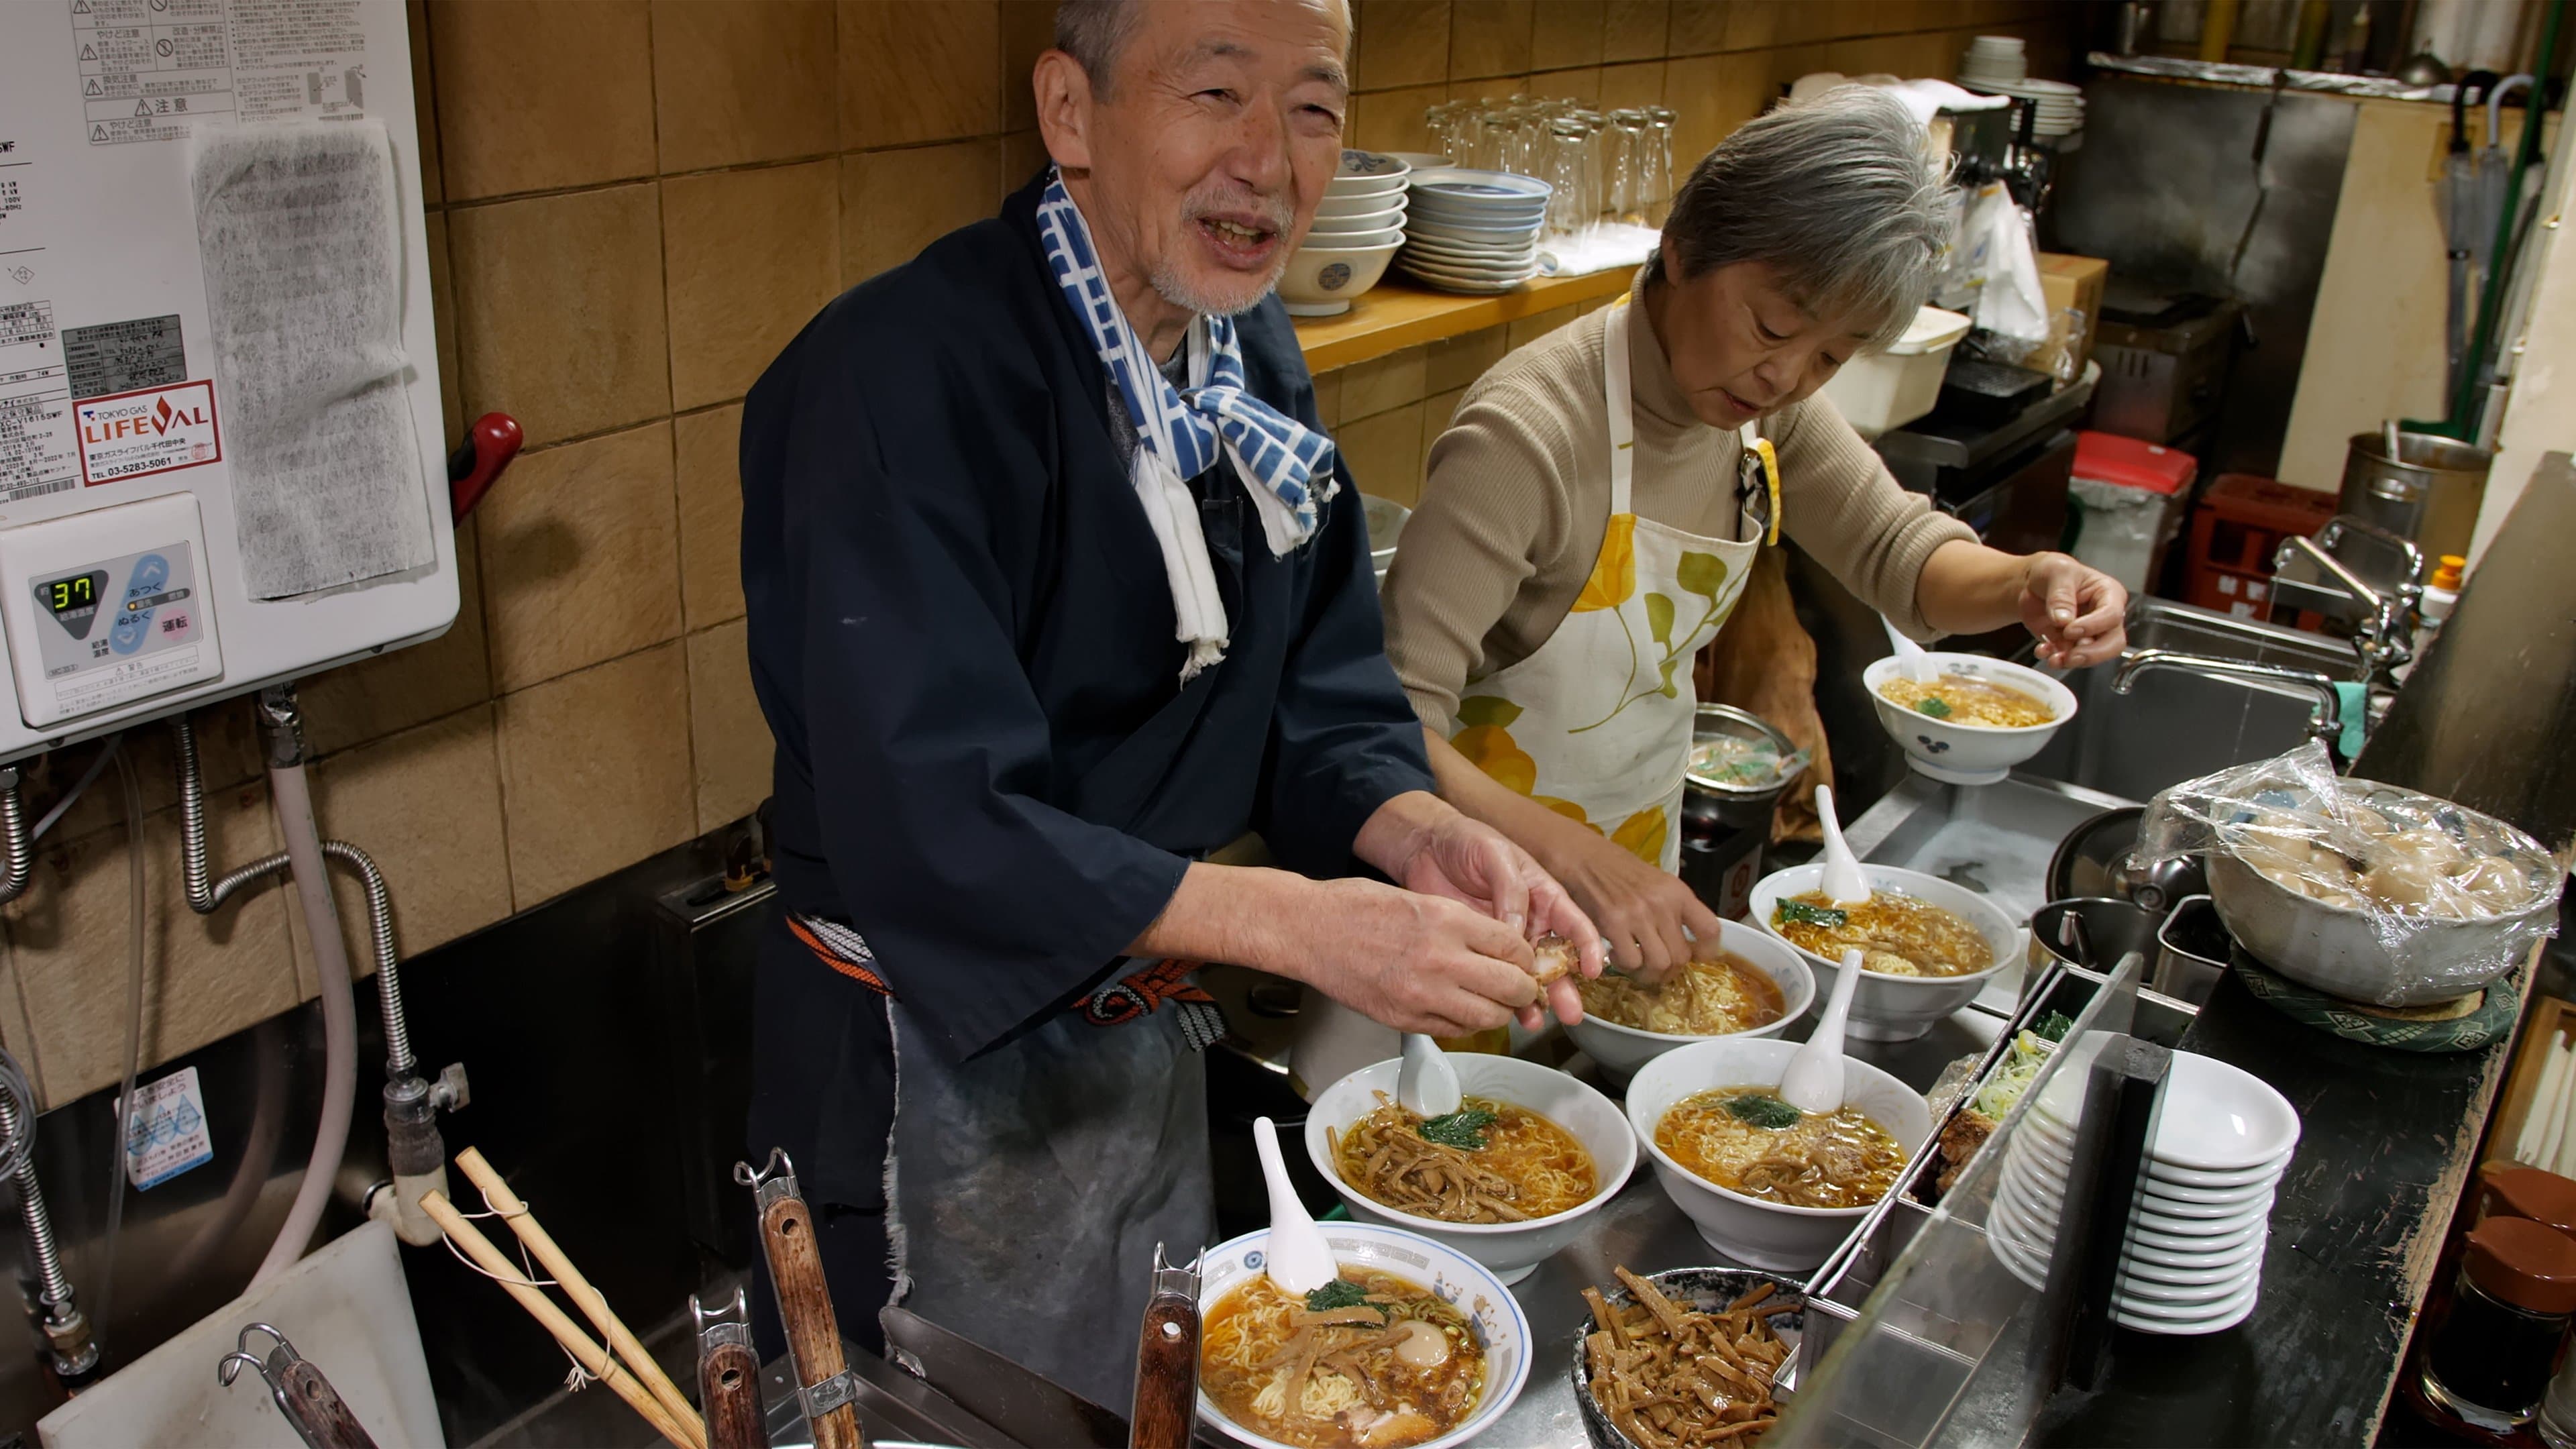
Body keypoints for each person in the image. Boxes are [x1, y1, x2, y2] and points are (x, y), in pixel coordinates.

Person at [735, 0, 1597, 1409]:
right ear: (1070, 114)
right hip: (919, 1074)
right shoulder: (894, 378)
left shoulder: (1245, 361)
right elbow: (941, 817)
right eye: (1215, 93)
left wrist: (1409, 830)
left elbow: (1318, 692)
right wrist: (1304, 926)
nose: (1268, 160)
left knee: (1138, 1403)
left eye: (1315, 107)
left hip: (1133, 1054)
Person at [1380, 87, 2129, 979]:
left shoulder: (1763, 419)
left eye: (1830, 356)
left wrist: (2028, 580)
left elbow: (1902, 557)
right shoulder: (1528, 436)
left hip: (1629, 909)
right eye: (1772, 325)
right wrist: (1575, 862)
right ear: (1684, 246)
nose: (1784, 375)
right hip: (1459, 909)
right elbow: (1387, 724)